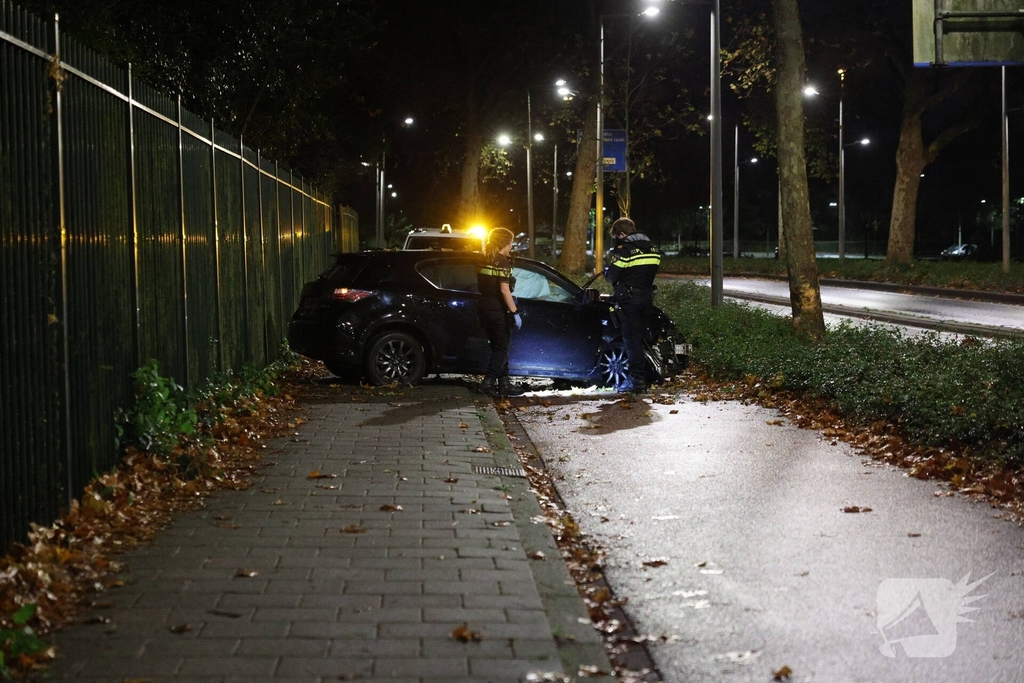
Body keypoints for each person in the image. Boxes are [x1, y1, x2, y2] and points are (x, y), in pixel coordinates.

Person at [603, 217, 662, 394]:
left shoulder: (626, 251)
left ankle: (638, 382)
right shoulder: (653, 249)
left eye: (617, 237)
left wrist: (609, 268)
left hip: (629, 301)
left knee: (632, 341)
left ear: (622, 234)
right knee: (643, 338)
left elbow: (611, 276)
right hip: (646, 298)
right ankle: (651, 375)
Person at [477, 227, 524, 399]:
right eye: (511, 242)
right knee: (502, 347)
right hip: (497, 308)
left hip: (484, 306)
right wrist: (515, 312)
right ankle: (488, 383)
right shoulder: (502, 263)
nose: (512, 246)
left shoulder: (484, 258)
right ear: (505, 243)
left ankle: (504, 383)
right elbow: (505, 291)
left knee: (498, 346)